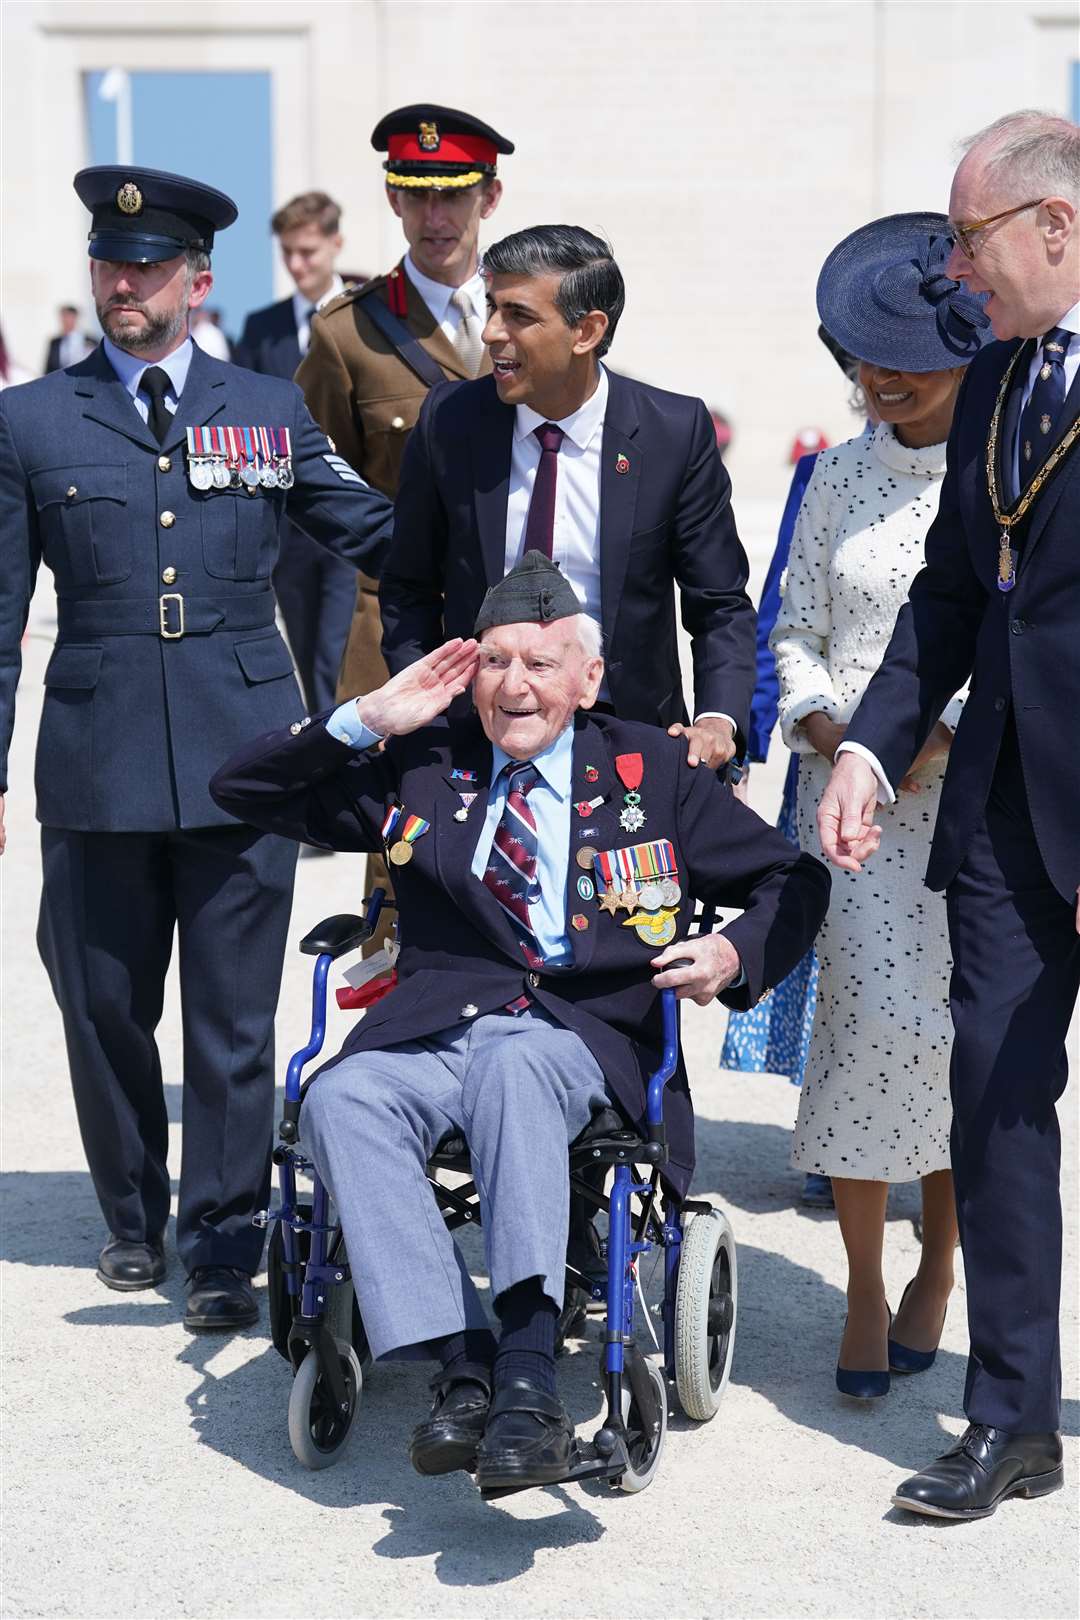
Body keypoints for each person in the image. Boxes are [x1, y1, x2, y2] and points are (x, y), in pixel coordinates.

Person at [210, 550, 831, 1487]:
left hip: (581, 1038)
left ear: (589, 679)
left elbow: (794, 876)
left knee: (512, 1057)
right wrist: (366, 718)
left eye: (541, 663)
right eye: (495, 661)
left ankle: (531, 1377)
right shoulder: (424, 761)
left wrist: (734, 952)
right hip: (427, 1031)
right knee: (342, 1100)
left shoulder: (648, 770)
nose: (515, 685)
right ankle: (464, 1369)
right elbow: (243, 791)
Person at [0, 165, 394, 1332]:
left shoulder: (267, 410)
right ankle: (133, 1211)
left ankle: (223, 1235)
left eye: (149, 266)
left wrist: (495, 510)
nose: (125, 284)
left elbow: (368, 525)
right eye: (110, 266)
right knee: (103, 1002)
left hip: (242, 749)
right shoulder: (29, 421)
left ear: (197, 279)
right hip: (95, 753)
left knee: (233, 1018)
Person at [818, 111, 1080, 1519]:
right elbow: (949, 597)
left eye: (971, 240)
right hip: (1002, 820)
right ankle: (1012, 1420)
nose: (956, 274)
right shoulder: (993, 380)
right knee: (993, 1106)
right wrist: (871, 745)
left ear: (1057, 224)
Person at [771, 212, 996, 1408]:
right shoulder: (838, 474)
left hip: (965, 805)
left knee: (958, 1048)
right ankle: (863, 1282)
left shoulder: (1007, 473)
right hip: (850, 813)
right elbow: (797, 628)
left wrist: (934, 736)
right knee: (862, 1044)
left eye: (906, 356)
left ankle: (940, 1261)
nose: (879, 379)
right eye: (862, 355)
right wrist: (832, 735)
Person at [381, 224, 757, 766]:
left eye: (519, 315)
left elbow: (719, 604)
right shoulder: (449, 421)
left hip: (629, 741)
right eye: (492, 308)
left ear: (587, 332)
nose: (490, 333)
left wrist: (718, 720)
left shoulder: (672, 432)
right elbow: (408, 588)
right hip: (478, 736)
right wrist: (427, 712)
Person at [296, 106, 512, 926]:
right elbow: (310, 481)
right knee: (408, 853)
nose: (435, 216)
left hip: (523, 633)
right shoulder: (347, 335)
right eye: (415, 194)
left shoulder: (531, 309)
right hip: (403, 634)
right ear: (392, 200)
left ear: (490, 197)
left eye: (454, 194)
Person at [235, 191, 356, 718]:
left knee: (340, 654)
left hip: (355, 516)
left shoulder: (366, 315)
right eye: (288, 253)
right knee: (304, 655)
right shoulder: (263, 330)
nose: (297, 264)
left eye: (308, 251)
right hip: (289, 527)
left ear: (335, 244)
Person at [43, 304, 95, 373]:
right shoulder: (55, 342)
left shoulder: (90, 341)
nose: (65, 321)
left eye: (68, 317)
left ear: (75, 318)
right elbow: (48, 369)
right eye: (63, 317)